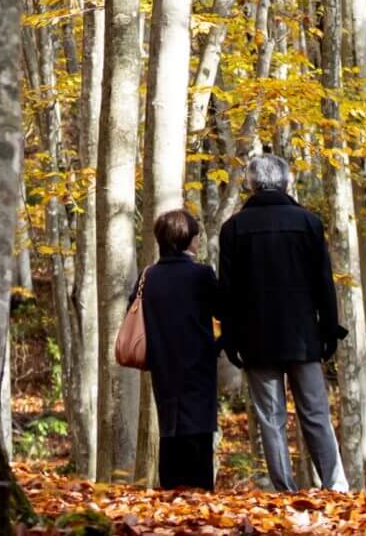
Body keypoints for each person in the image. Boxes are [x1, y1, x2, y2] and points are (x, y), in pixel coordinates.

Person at [216, 152, 345, 492]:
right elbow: (324, 284)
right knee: (316, 413)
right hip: (304, 336)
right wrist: (330, 329)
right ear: (287, 182)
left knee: (271, 419)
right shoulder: (308, 223)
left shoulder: (233, 229)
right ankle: (335, 485)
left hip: (256, 340)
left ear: (252, 185)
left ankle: (284, 490)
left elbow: (227, 291)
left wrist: (230, 338)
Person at [134, 206, 224, 491]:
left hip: (162, 363)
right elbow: (224, 311)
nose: (198, 241)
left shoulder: (148, 276)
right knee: (198, 431)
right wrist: (218, 345)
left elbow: (133, 313)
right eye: (196, 236)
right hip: (198, 363)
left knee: (169, 429)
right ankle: (199, 496)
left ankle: (171, 492)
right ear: (187, 239)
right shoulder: (201, 274)